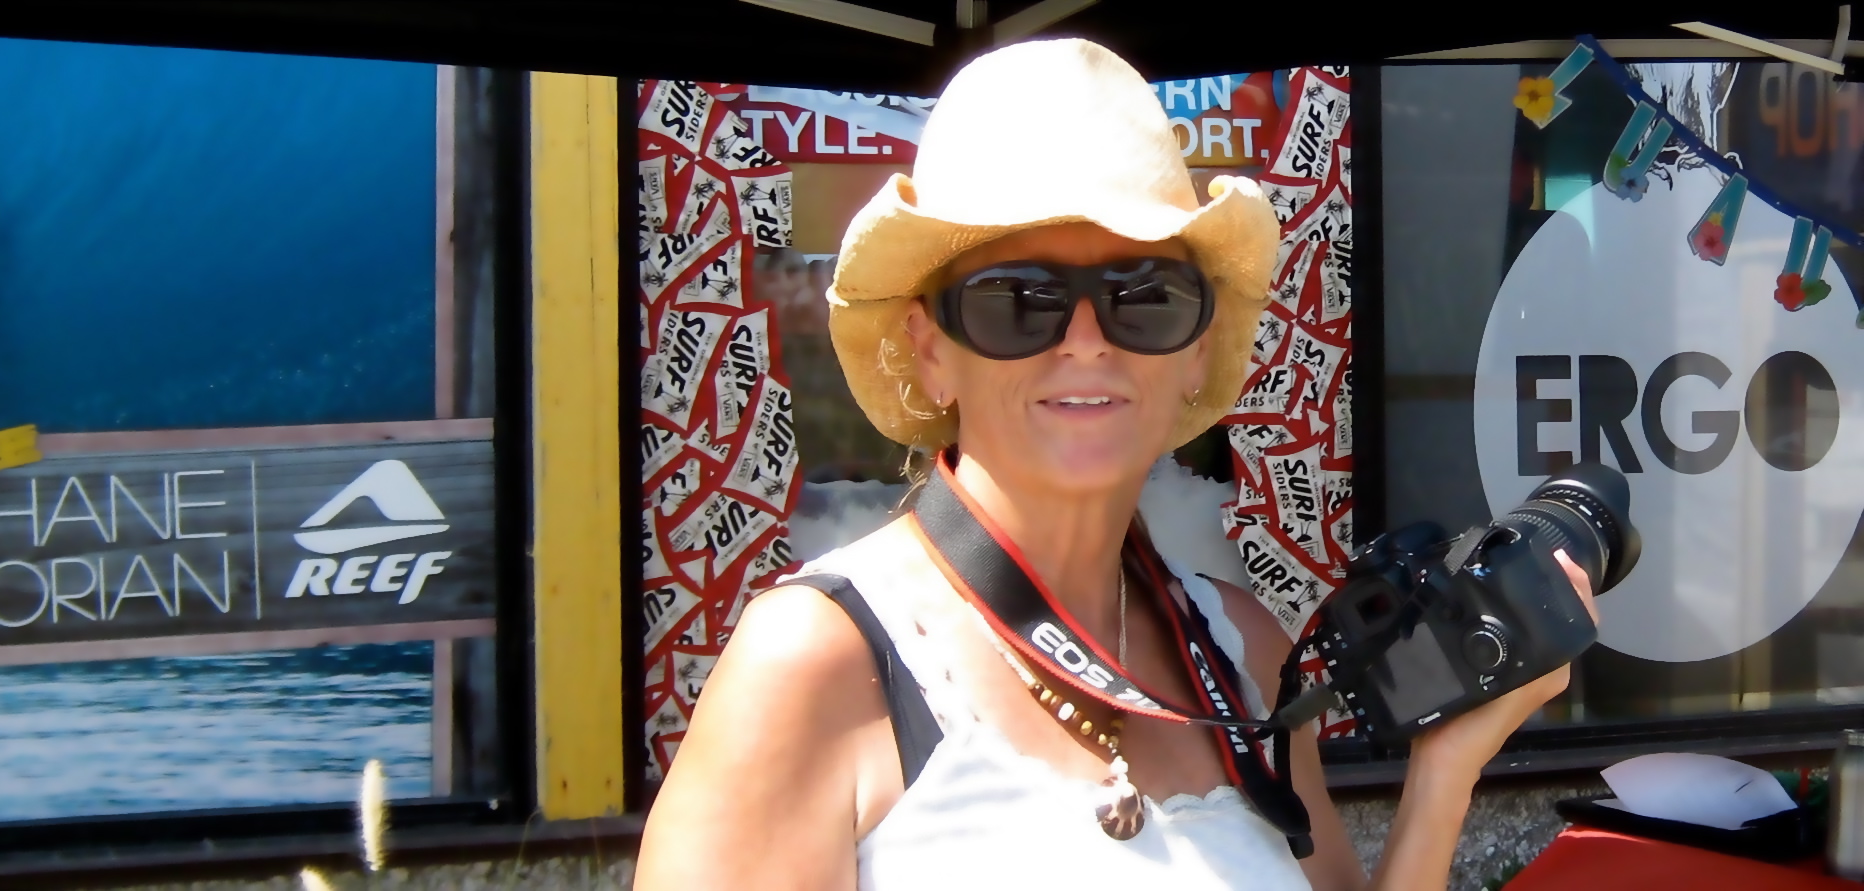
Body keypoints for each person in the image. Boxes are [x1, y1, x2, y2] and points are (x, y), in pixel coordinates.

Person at [635, 39, 1599, 890]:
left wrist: (1444, 771)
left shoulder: (1243, 652)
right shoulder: (820, 663)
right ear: (931, 349)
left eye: (1145, 296)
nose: (1088, 341)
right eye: (1016, 300)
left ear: (1193, 352)